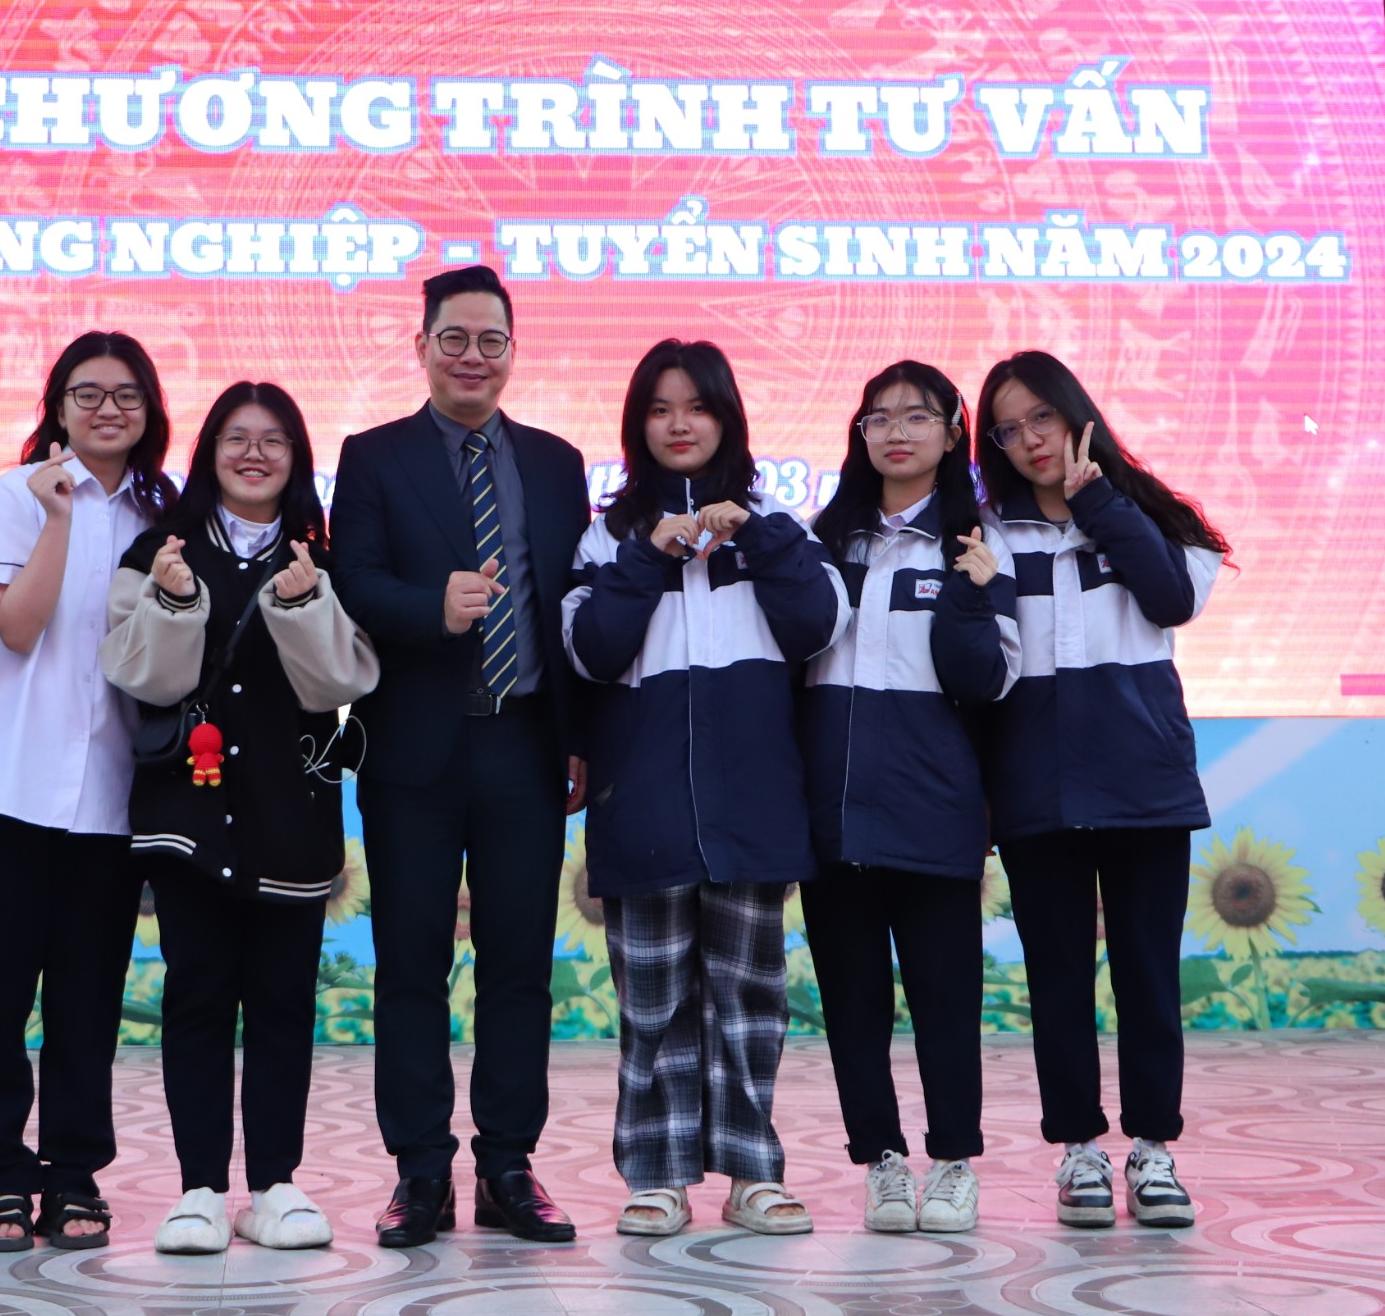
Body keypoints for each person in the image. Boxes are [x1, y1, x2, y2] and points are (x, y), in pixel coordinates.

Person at [327, 264, 591, 1248]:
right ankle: (421, 1169)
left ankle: (508, 1165)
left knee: (520, 965)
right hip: (413, 750)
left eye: (490, 340)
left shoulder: (558, 463)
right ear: (422, 347)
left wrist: (582, 737)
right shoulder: (372, 456)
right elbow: (352, 581)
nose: (472, 356)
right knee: (411, 965)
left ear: (512, 352)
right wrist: (429, 607)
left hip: (525, 744)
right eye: (454, 338)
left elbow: (572, 604)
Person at [563, 339, 847, 1238]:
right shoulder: (606, 535)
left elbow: (817, 626)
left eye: (696, 407)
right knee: (653, 1004)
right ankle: (657, 1176)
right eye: (659, 409)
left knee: (750, 1001)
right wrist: (647, 557)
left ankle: (753, 1173)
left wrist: (756, 535)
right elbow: (589, 650)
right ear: (636, 425)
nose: (678, 424)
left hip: (753, 806)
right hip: (641, 807)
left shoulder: (779, 525)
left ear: (727, 417)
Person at [101, 381, 381, 1253]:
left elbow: (340, 684)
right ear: (209, 450)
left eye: (273, 440)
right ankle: (197, 1189)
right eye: (235, 437)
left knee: (283, 1003)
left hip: (292, 814)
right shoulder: (157, 549)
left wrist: (302, 605)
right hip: (187, 814)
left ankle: (275, 1186)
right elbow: (141, 677)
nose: (253, 454)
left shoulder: (321, 558)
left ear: (297, 458)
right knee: (196, 997)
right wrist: (174, 601)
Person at [975, 350, 1227, 1231]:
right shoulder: (989, 536)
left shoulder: (1153, 517)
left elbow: (1169, 601)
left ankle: (1154, 1150)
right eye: (1008, 429)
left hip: (1143, 784)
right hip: (1037, 791)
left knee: (1148, 978)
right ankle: (1078, 1149)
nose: (1029, 439)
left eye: (1041, 417)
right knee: (1057, 982)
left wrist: (1099, 503)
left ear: (1076, 413)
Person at [0, 333, 177, 1253]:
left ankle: (75, 1173)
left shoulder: (165, 510)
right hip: (2, 788)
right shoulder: (18, 493)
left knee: (88, 1001)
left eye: (127, 395)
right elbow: (18, 626)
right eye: (89, 393)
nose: (108, 409)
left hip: (112, 796)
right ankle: (2, 1173)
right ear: (59, 404)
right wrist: (58, 518)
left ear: (150, 409)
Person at [801, 360, 1018, 1235]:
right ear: (859, 435)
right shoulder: (824, 541)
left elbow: (990, 680)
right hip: (833, 816)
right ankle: (882, 1164)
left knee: (944, 998)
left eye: (917, 416)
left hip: (935, 813)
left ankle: (954, 1162)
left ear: (953, 433)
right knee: (852, 1002)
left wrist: (970, 594)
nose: (896, 432)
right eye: (878, 417)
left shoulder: (980, 542)